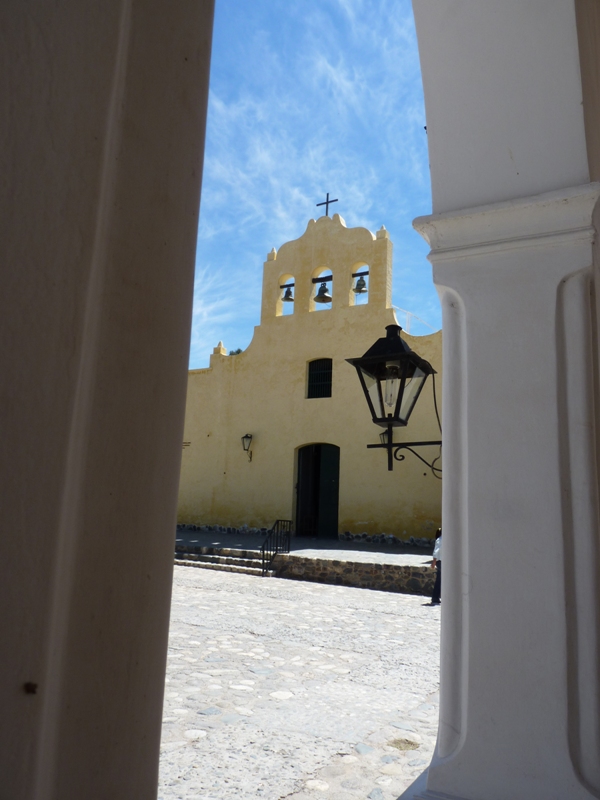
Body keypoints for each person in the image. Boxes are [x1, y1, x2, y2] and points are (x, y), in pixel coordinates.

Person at [431, 528, 442, 605]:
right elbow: (436, 552)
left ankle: (436, 598)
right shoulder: (440, 540)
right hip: (441, 562)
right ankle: (435, 598)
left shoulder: (441, 539)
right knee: (439, 580)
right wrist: (434, 563)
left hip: (441, 562)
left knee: (440, 580)